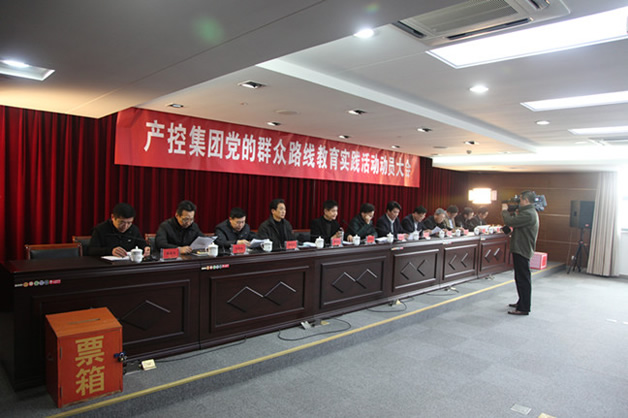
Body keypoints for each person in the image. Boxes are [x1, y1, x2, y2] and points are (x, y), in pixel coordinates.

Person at [502, 191, 540, 316]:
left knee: (523, 279)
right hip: (521, 248)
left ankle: (524, 307)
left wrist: (504, 210)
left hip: (522, 249)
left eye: (521, 200)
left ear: (526, 200)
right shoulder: (528, 212)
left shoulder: (528, 214)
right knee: (520, 278)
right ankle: (521, 302)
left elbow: (510, 221)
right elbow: (516, 223)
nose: (519, 202)